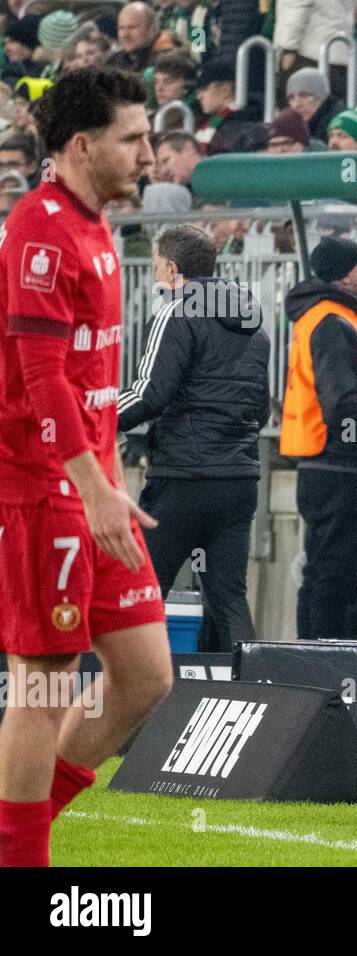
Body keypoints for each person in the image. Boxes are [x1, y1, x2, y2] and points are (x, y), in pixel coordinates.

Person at [0, 68, 171, 869]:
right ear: (81, 146)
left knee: (144, 675)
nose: (149, 152)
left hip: (93, 489)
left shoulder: (93, 223)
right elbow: (42, 380)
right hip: (44, 491)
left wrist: (106, 483)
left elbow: (90, 379)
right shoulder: (40, 231)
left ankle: (20, 830)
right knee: (43, 685)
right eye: (133, 138)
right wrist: (93, 486)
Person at [117, 226, 270, 652]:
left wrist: (91, 420)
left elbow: (149, 394)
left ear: (172, 267)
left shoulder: (176, 311)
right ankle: (249, 698)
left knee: (144, 592)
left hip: (183, 478)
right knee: (228, 599)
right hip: (239, 480)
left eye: (154, 269)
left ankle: (132, 704)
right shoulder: (254, 325)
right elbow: (261, 410)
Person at [281, 238, 357, 641]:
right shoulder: (332, 321)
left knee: (323, 572)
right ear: (344, 275)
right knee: (333, 577)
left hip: (328, 462)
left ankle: (310, 661)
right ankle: (321, 664)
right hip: (339, 465)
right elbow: (343, 403)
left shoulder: (329, 317)